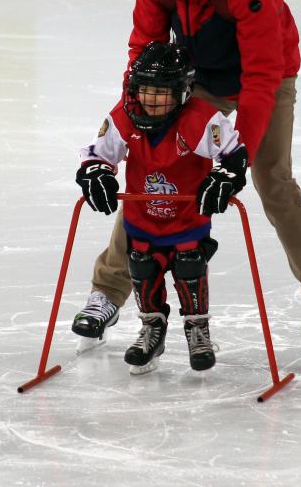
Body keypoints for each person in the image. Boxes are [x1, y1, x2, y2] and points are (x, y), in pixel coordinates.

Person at [73, 0, 301, 357]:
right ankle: (108, 291)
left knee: (272, 181)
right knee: (151, 165)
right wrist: (134, 117)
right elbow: (144, 46)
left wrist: (238, 159)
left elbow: (260, 77)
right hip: (199, 78)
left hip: (269, 76)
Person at [75, 41, 246, 372]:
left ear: (182, 91)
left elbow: (231, 151)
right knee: (142, 267)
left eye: (161, 91)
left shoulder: (199, 119)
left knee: (189, 268)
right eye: (145, 90)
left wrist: (227, 174)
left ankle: (198, 331)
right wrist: (95, 172)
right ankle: (151, 330)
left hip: (186, 221)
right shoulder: (125, 115)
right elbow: (100, 152)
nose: (150, 100)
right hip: (142, 221)